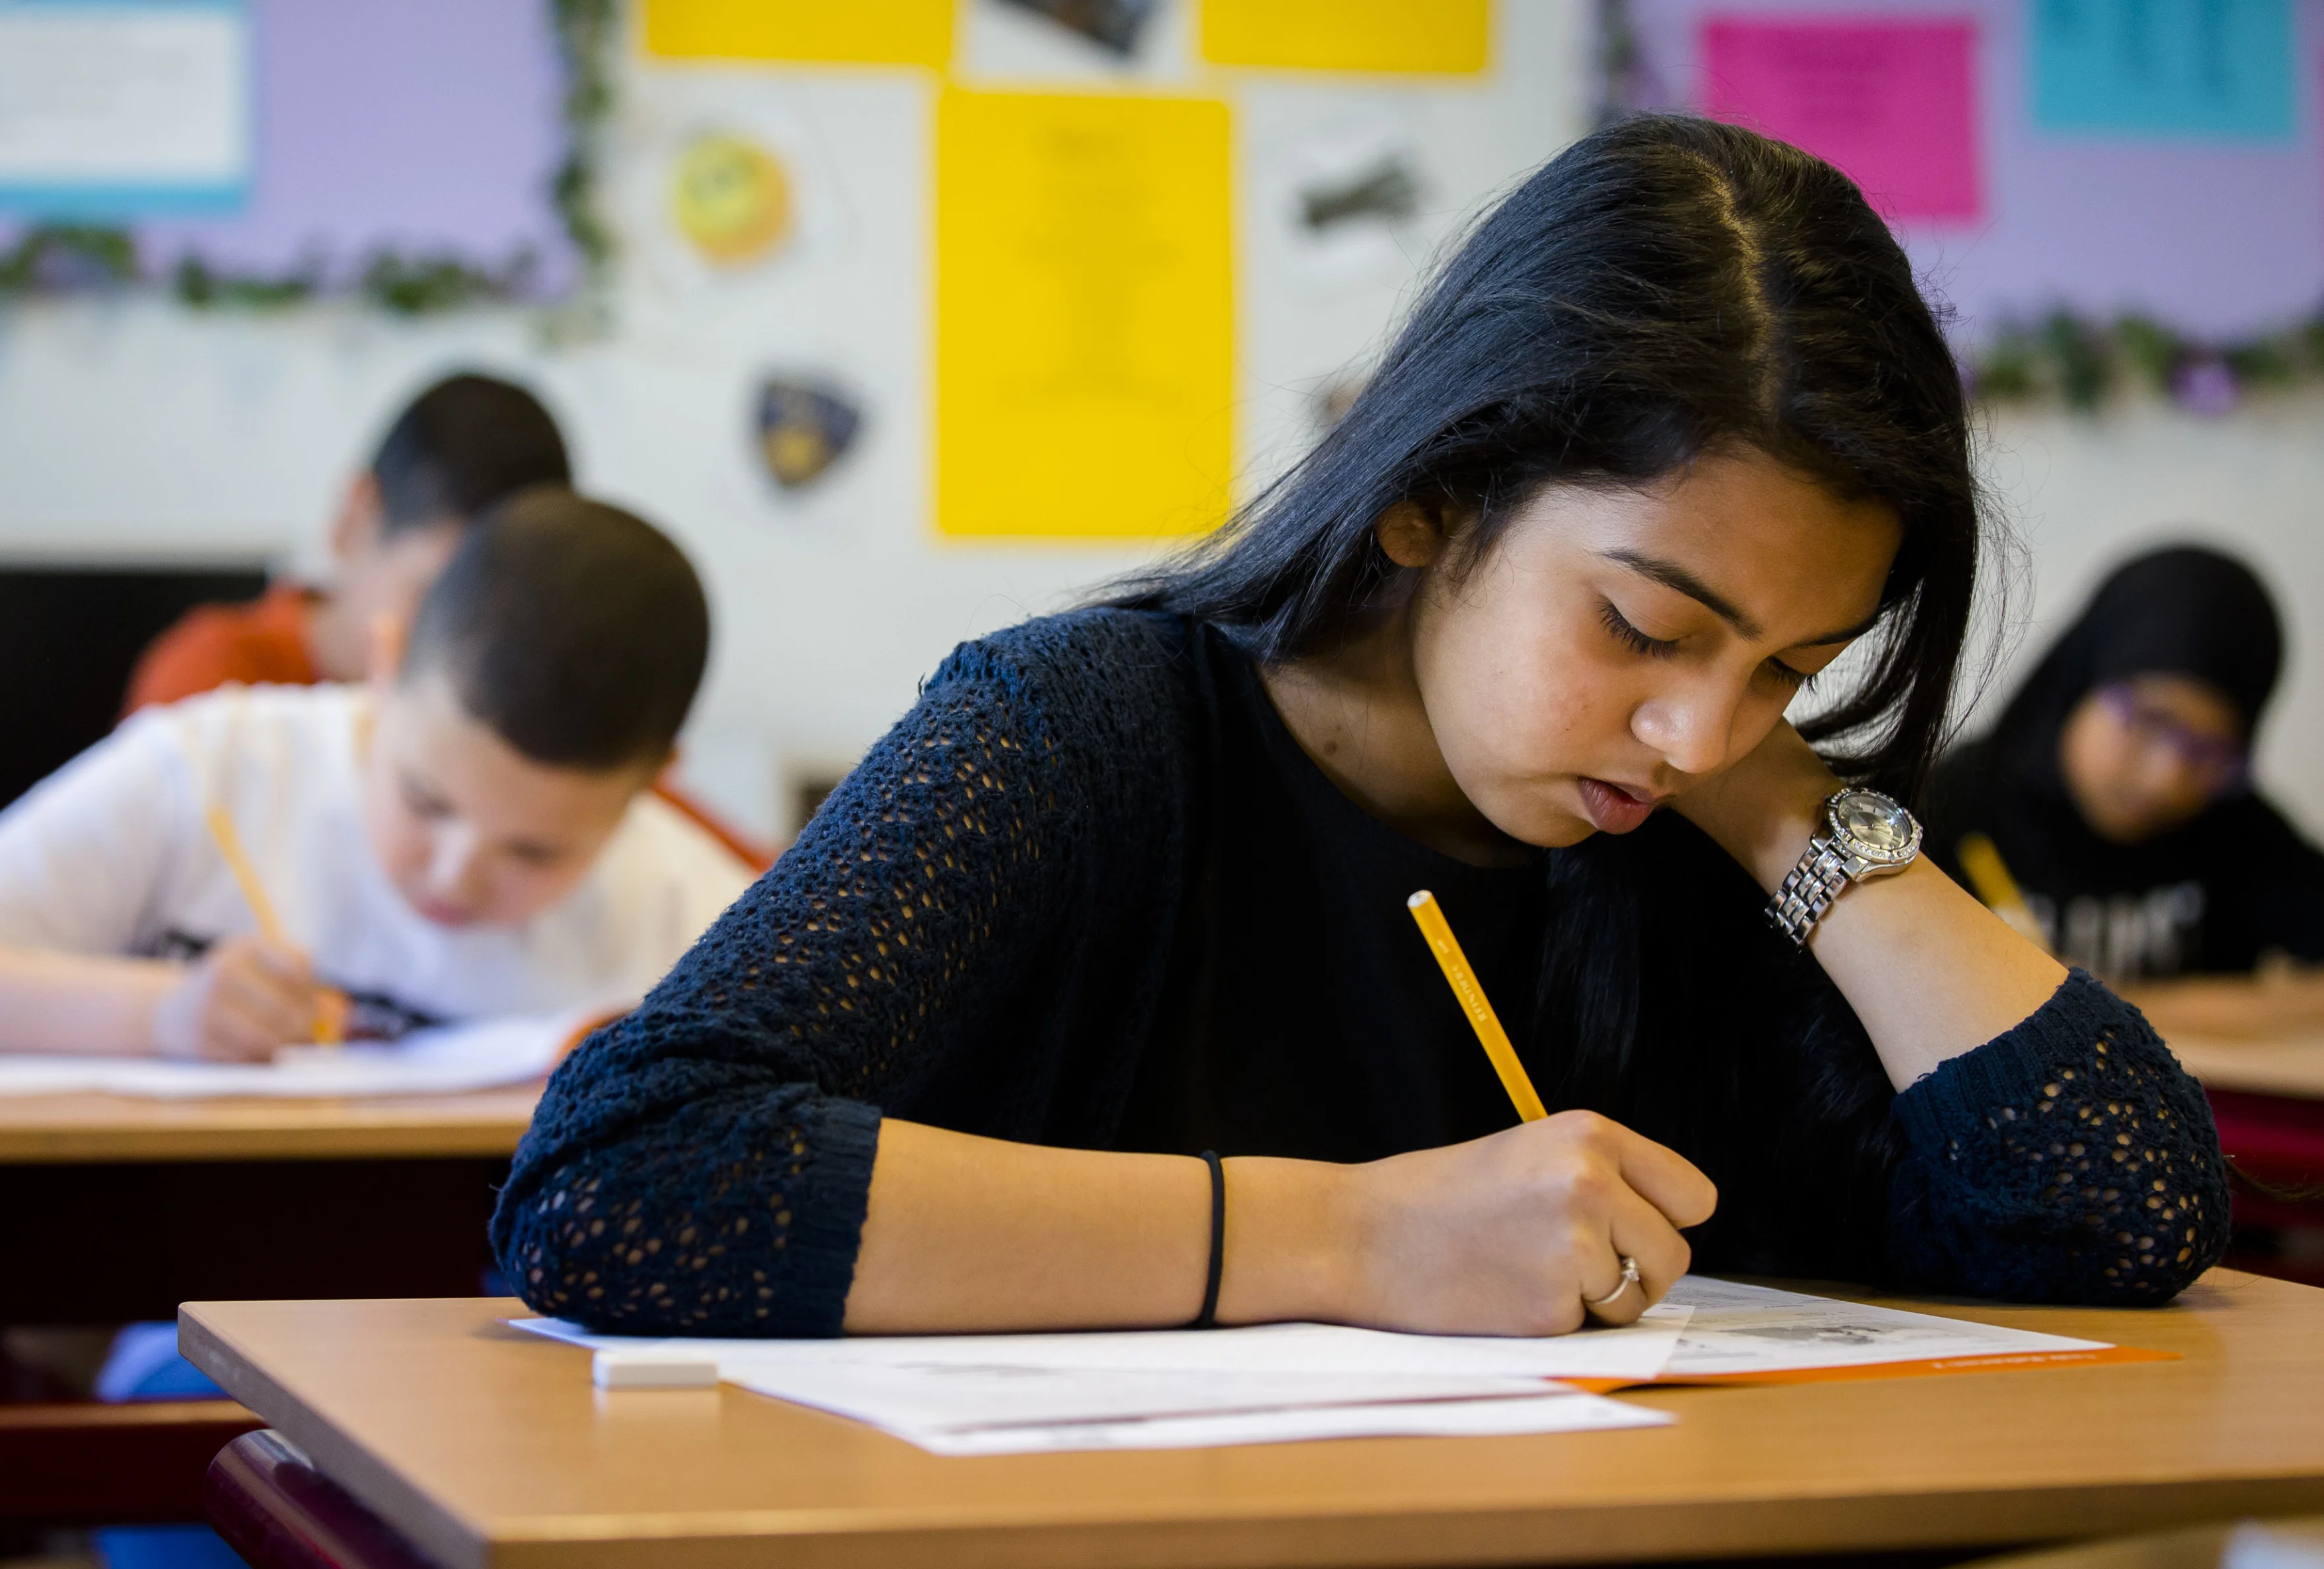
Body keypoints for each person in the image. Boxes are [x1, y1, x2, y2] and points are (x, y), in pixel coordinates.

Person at [495, 116, 2226, 1344]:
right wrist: (1350, 1234)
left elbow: (2116, 1210)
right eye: (1643, 623)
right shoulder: (1088, 735)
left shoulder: (1687, 835)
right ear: (1428, 501)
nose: (1698, 725)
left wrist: (1799, 818)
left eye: (1790, 663)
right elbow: (620, 1177)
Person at [0, 488, 755, 1061]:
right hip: (190, 1335)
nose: (453, 873)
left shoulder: (694, 910)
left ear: (650, 787)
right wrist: (167, 1016)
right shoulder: (211, 767)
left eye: (537, 851)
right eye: (426, 799)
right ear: (383, 667)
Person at [1927, 545, 2324, 1038]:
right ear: (2084, 676)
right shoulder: (1952, 803)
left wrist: (2112, 1004)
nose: (2168, 777)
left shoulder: (2235, 826)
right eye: (2151, 721)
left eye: (2211, 750)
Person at [121, 371, 572, 715]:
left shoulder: (527, 706)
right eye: (435, 598)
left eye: (507, 615)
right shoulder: (215, 687)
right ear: (355, 519)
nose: (469, 644)